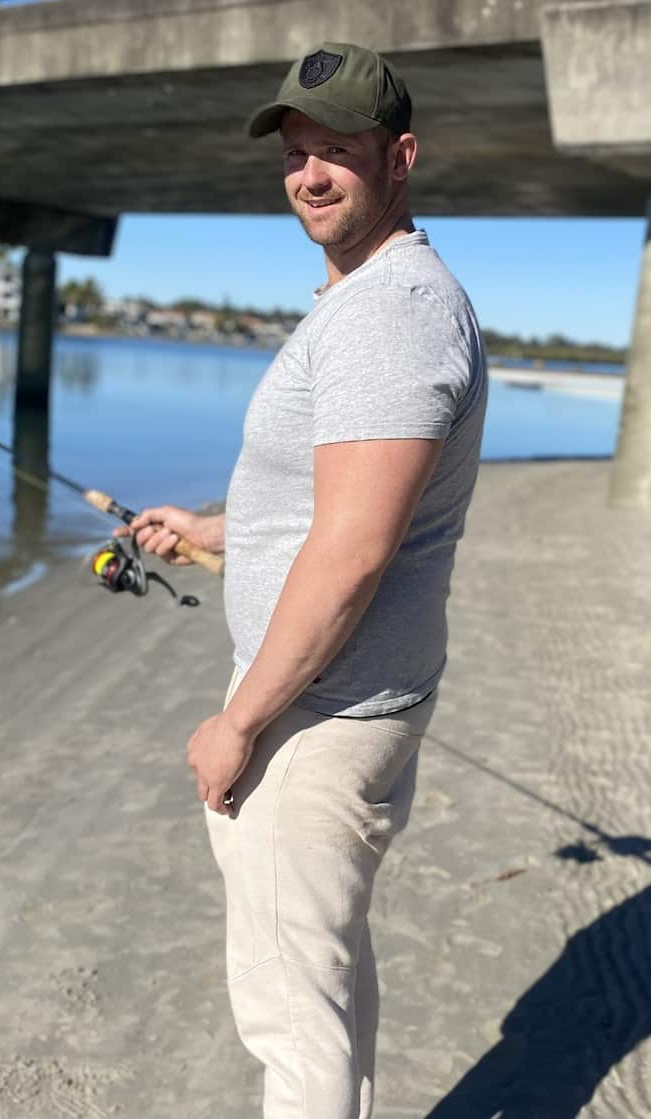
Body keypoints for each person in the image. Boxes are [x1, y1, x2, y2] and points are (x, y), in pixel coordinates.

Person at [118, 41, 488, 1119]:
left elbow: (355, 550)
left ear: (400, 158)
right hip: (346, 692)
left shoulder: (388, 312)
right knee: (320, 989)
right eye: (295, 154)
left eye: (337, 151)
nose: (309, 175)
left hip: (316, 715)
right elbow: (324, 516)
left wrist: (240, 720)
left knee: (291, 1022)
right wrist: (213, 531)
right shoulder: (369, 299)